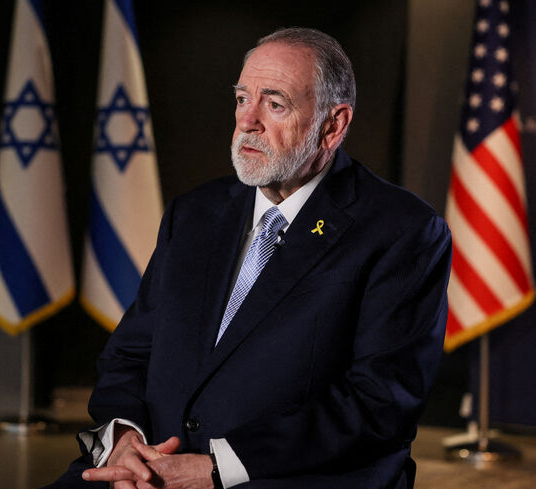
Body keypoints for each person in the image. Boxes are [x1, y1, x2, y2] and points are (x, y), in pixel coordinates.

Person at [44, 27, 451, 489]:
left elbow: (380, 402)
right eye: (242, 99)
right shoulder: (193, 214)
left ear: (333, 125)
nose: (247, 121)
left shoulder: (403, 231)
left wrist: (217, 468)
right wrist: (125, 440)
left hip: (283, 477)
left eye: (274, 104)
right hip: (146, 469)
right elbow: (130, 353)